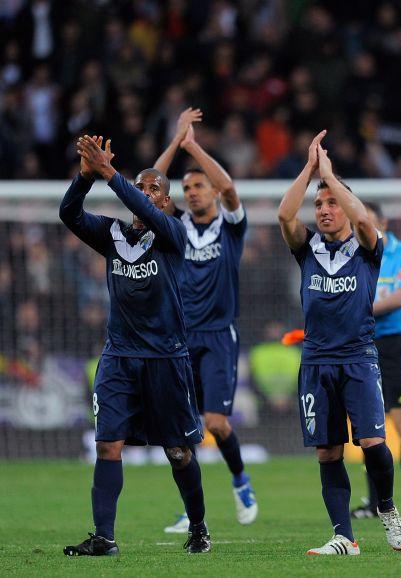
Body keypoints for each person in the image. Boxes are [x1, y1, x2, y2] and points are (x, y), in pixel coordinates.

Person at [61, 136, 210, 555]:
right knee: (108, 442)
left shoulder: (172, 234)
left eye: (153, 190)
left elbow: (146, 211)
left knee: (178, 452)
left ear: (165, 200)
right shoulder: (113, 235)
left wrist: (112, 175)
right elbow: (68, 213)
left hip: (166, 358)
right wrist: (85, 178)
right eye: (140, 188)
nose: (145, 195)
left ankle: (198, 526)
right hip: (119, 357)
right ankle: (104, 537)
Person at [277, 130, 401, 556]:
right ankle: (343, 536)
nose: (324, 209)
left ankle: (388, 508)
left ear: (348, 209)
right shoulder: (307, 248)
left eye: (332, 202)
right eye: (319, 204)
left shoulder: (367, 248)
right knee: (327, 453)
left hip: (358, 358)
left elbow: (366, 221)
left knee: (373, 444)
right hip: (315, 361)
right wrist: (310, 170)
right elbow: (284, 216)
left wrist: (331, 177)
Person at [152, 108, 257, 533]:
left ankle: (240, 480)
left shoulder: (230, 228)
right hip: (179, 337)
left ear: (213, 191)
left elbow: (231, 187)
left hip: (217, 335)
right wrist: (175, 143)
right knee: (183, 431)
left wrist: (193, 145)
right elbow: (148, 189)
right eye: (188, 187)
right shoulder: (176, 226)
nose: (191, 192)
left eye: (199, 186)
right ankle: (190, 509)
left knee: (215, 423)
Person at [351, 201, 401, 520]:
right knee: (370, 427)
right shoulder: (354, 253)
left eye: (369, 220)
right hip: (363, 345)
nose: (364, 226)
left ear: (384, 221)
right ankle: (374, 502)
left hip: (396, 347)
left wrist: (358, 307)